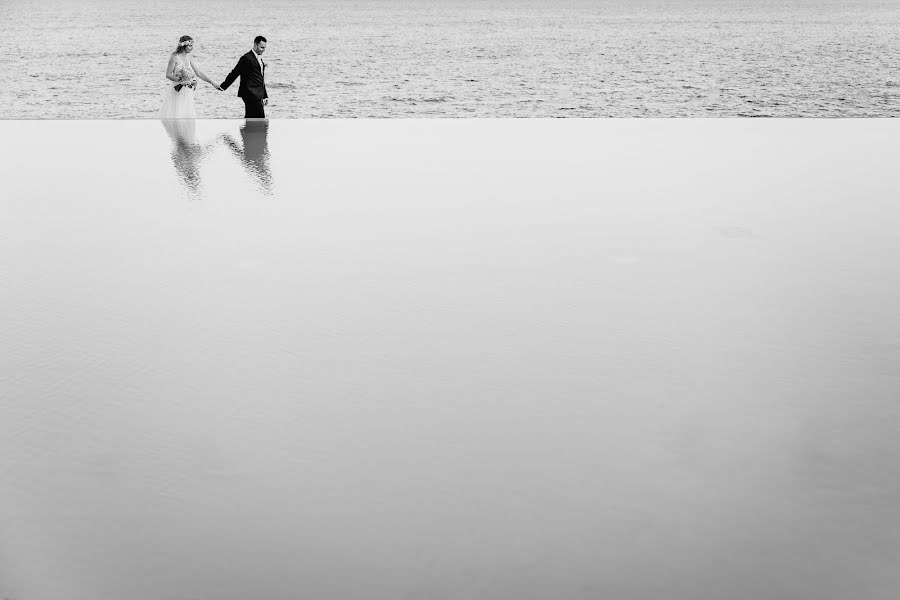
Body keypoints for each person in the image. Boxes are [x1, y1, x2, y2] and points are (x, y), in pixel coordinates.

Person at [158, 35, 222, 119]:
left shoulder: (189, 57)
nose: (192, 48)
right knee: (177, 115)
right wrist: (182, 80)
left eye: (192, 46)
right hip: (177, 90)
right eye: (190, 46)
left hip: (187, 91)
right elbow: (168, 74)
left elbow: (198, 72)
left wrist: (212, 82)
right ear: (184, 45)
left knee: (186, 116)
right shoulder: (174, 57)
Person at [220, 36, 269, 118]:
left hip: (258, 94)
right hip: (249, 93)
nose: (263, 50)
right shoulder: (246, 58)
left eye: (264, 48)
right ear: (255, 45)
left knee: (253, 117)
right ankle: (247, 130)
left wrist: (265, 95)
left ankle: (245, 130)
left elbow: (261, 79)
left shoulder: (259, 59)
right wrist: (223, 86)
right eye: (261, 47)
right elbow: (235, 72)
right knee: (258, 118)